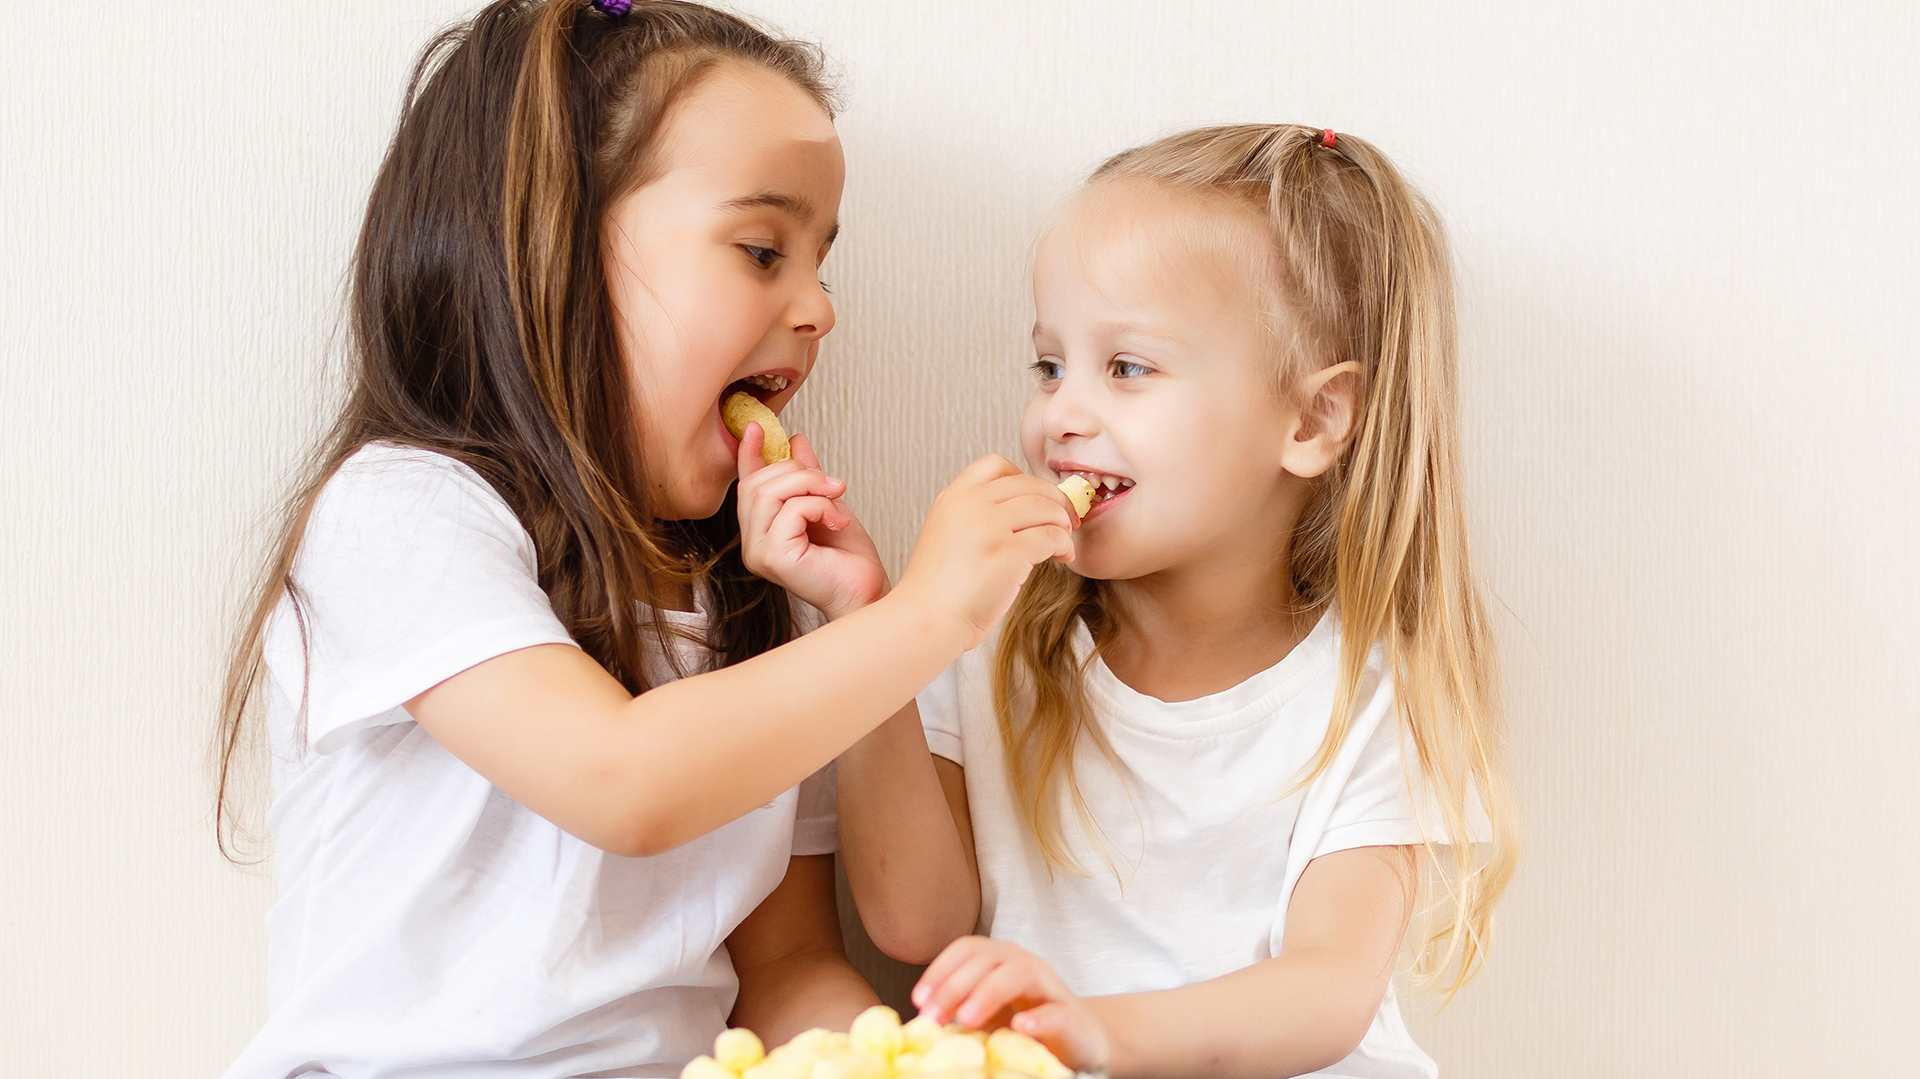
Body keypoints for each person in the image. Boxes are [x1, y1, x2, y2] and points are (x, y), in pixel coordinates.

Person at [213, 2, 1076, 1076]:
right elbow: (621, 780)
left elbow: (798, 960)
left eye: (819, 260)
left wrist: (881, 1056)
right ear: (554, 250)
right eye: (763, 249)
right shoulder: (400, 509)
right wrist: (927, 616)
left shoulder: (756, 593)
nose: (818, 307)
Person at [833, 124, 1519, 1078]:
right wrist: (871, 625)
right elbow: (915, 919)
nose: (1059, 416)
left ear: (1314, 417)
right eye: (1050, 365)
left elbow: (1328, 989)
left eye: (1127, 368)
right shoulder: (984, 631)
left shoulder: (1370, 689)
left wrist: (1101, 1031)